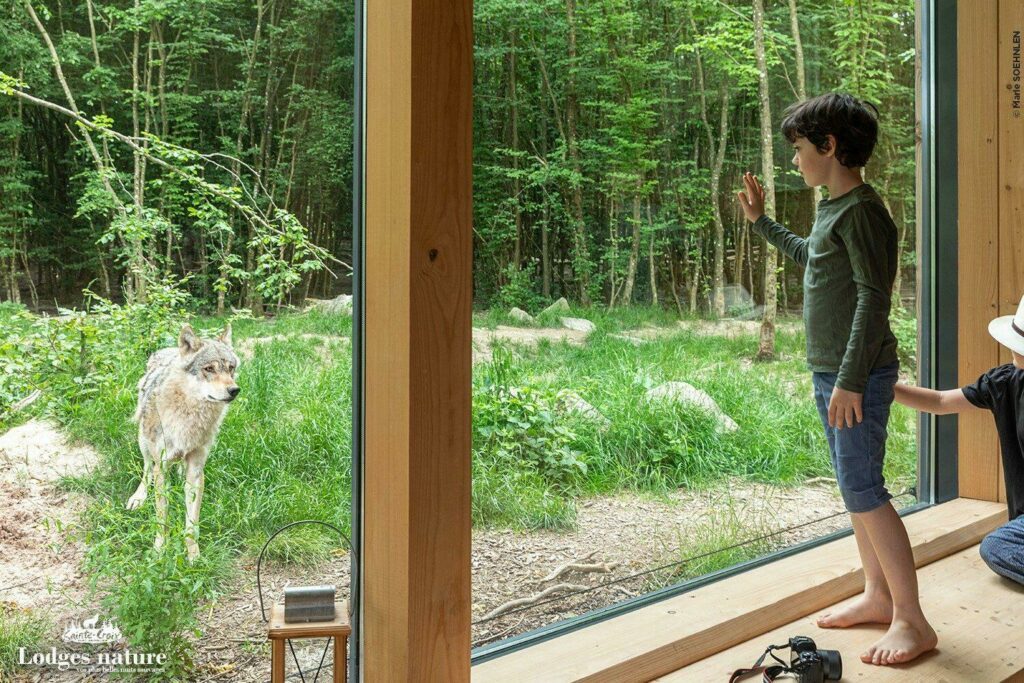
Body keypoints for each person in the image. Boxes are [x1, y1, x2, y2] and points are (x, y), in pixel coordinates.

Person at [736, 92, 937, 666]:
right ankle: (877, 596)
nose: (795, 160)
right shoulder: (833, 208)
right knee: (855, 491)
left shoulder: (865, 212)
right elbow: (813, 257)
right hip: (834, 373)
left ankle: (912, 621)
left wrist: (850, 380)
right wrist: (762, 223)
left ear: (828, 146)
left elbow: (875, 300)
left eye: (799, 149)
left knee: (868, 493)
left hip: (857, 376)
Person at [894, 293, 1024, 586]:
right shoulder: (1005, 382)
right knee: (998, 547)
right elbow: (940, 402)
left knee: (997, 546)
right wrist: (884, 388)